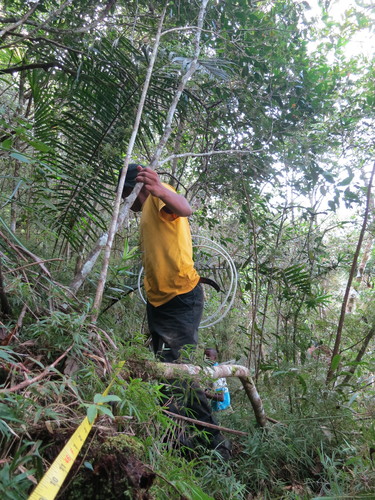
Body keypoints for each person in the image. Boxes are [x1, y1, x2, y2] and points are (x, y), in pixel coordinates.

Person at [120, 163, 231, 459]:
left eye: (126, 192)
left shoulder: (159, 197)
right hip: (159, 302)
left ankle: (216, 449)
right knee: (166, 374)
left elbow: (185, 208)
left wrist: (157, 188)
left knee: (181, 375)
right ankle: (180, 444)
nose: (123, 199)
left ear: (136, 187)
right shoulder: (145, 210)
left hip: (180, 298)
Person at [204, 348, 231, 412]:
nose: (205, 358)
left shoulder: (217, 372)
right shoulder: (208, 370)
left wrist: (204, 393)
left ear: (215, 358)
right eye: (204, 355)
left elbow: (221, 398)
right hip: (215, 407)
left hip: (222, 408)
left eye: (208, 355)